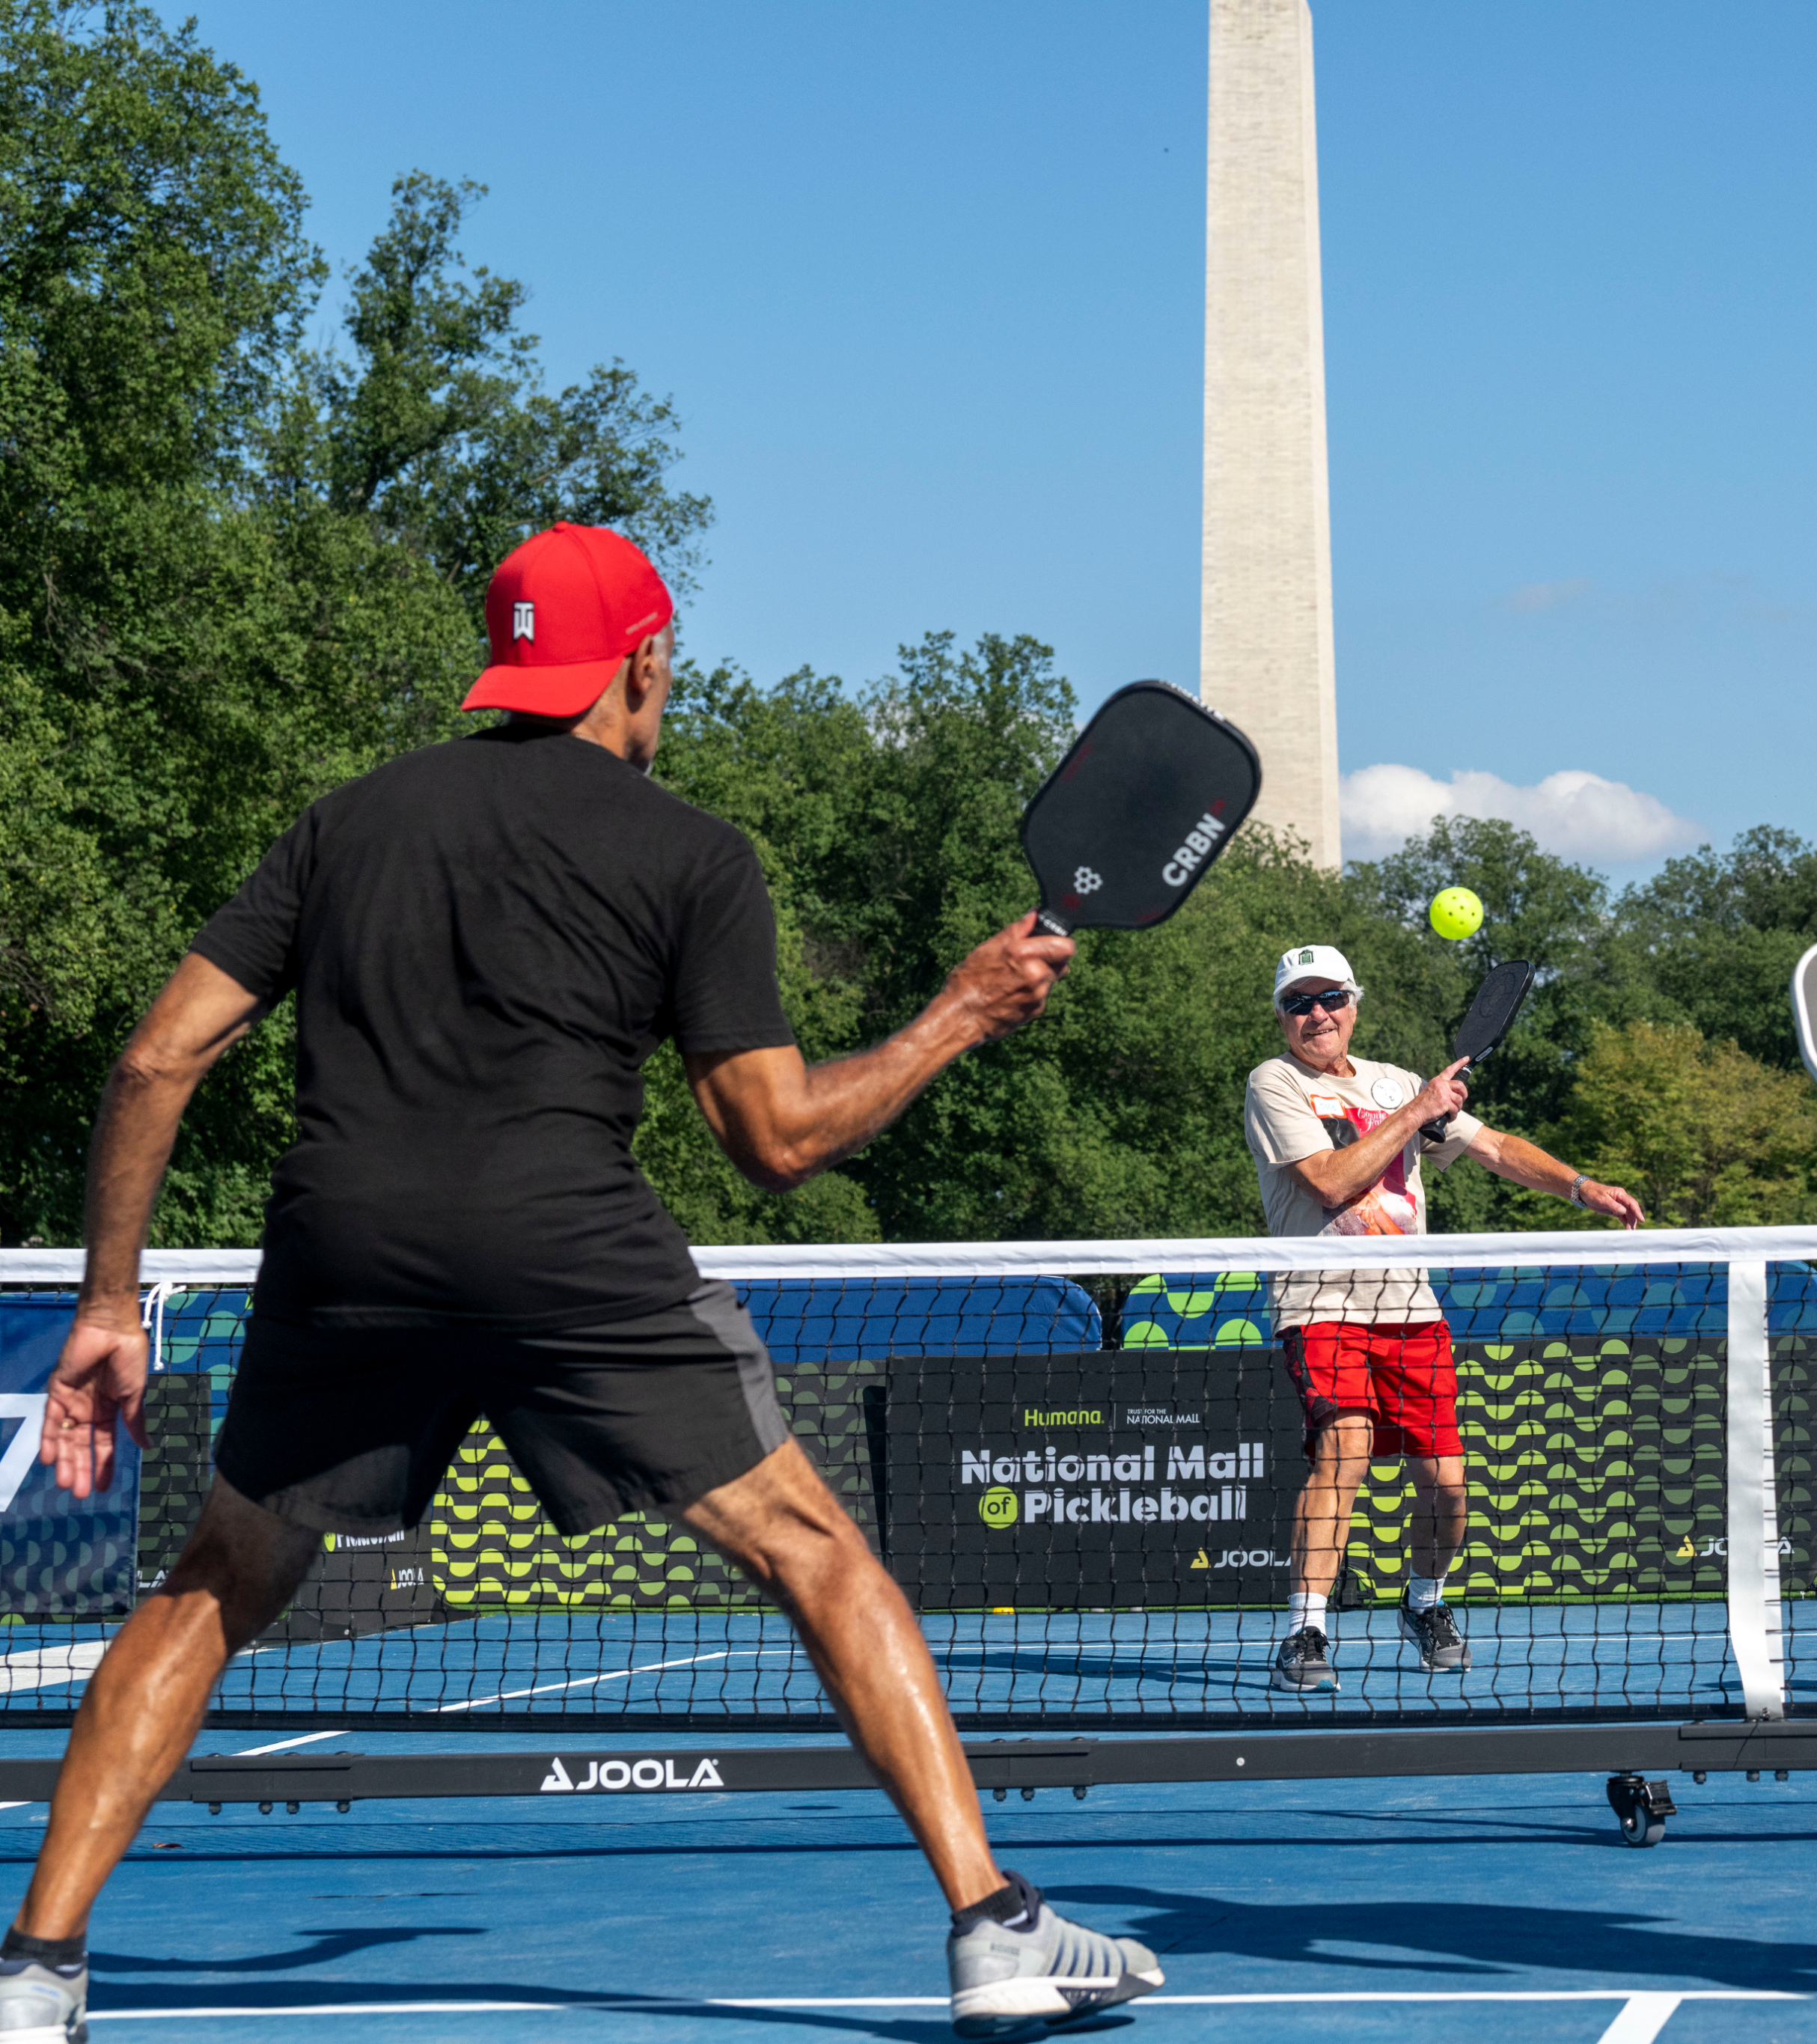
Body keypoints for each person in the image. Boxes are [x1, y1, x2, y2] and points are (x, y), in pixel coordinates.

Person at [2, 525, 1161, 2043]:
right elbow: (775, 1140)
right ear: (640, 663)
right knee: (817, 1554)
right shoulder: (687, 852)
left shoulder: (346, 822)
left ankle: (36, 1972)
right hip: (567, 1254)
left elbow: (157, 1054)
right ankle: (992, 1927)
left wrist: (106, 1303)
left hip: (343, 1254)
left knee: (211, 1588)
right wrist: (956, 1012)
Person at [1244, 943, 1646, 1692]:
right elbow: (1331, 1184)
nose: (1317, 1015)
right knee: (1345, 1450)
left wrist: (1580, 1186)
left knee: (1449, 1484)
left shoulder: (1395, 1082)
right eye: (1299, 1003)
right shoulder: (1274, 1082)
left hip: (1409, 1309)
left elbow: (1490, 1145)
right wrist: (1419, 1111)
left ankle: (1424, 1603)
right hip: (1321, 1301)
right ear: (1282, 1017)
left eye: (1329, 997)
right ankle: (1305, 1629)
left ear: (1353, 1003)